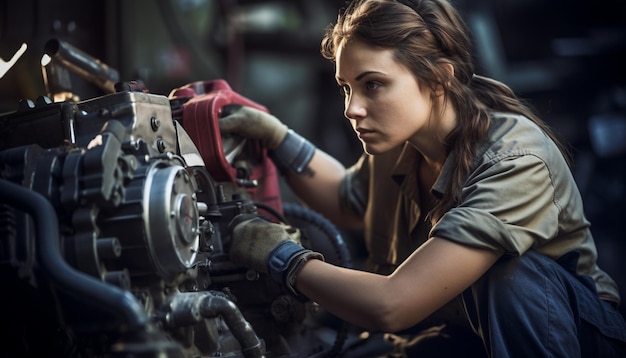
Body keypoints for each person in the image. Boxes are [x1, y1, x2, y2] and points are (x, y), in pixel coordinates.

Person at [219, 0, 626, 356]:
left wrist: (281, 257)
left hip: (575, 337)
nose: (352, 109)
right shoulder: (402, 138)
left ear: (439, 79)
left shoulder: (515, 162)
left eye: (373, 85)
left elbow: (393, 304)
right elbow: (347, 200)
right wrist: (277, 136)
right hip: (457, 335)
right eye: (346, 88)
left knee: (512, 276)